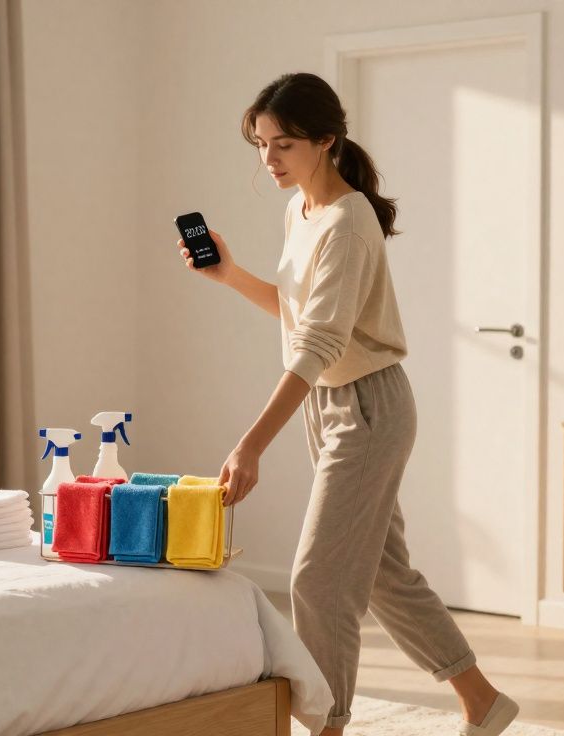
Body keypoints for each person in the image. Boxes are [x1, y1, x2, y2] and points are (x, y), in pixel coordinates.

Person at [176, 72, 519, 736]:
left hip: (370, 410)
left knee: (316, 582)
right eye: (260, 144)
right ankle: (482, 699)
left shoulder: (350, 218)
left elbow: (321, 341)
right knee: (384, 573)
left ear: (326, 141)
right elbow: (301, 318)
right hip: (327, 407)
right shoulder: (300, 211)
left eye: (283, 146)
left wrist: (250, 443)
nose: (268, 160)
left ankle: (328, 727)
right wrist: (229, 273)